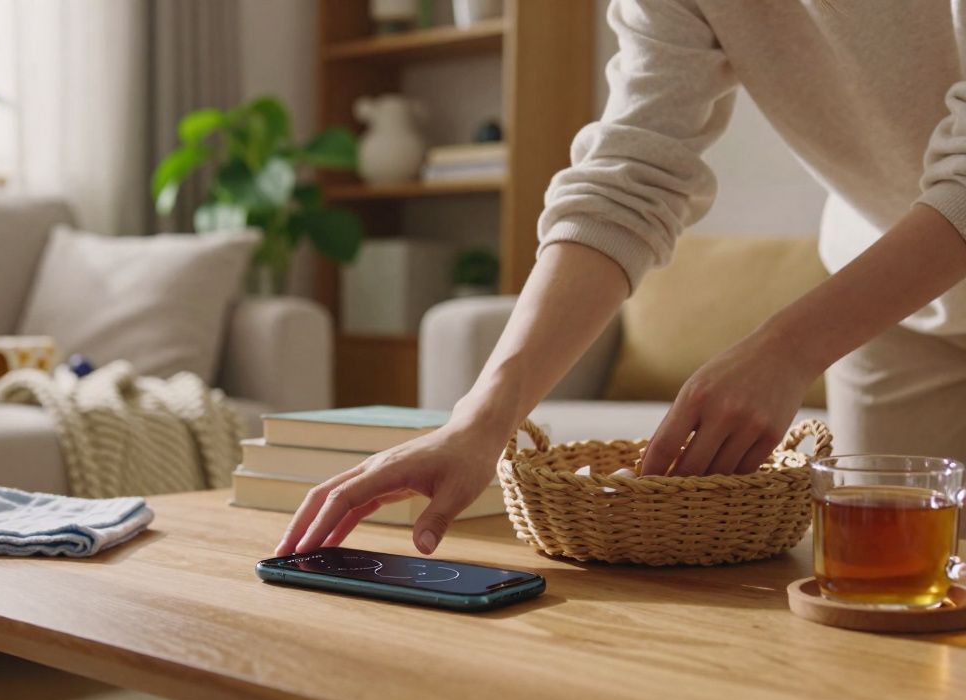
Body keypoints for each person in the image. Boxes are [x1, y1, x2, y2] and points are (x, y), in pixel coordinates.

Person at [276, 0, 966, 558]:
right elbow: (627, 182)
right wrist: (481, 418)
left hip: (878, 294)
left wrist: (788, 347)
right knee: (895, 616)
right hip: (894, 318)